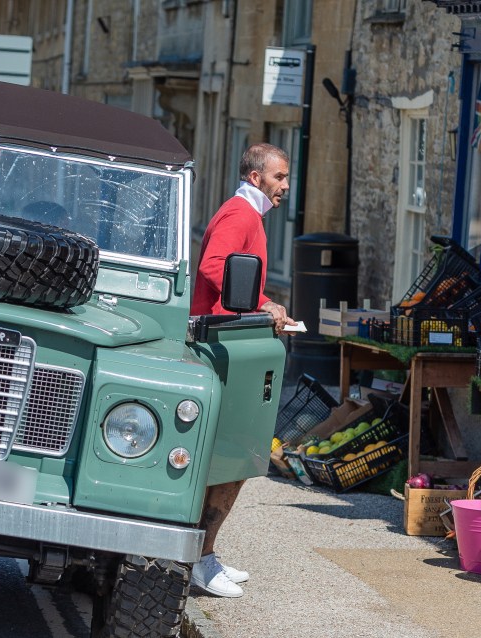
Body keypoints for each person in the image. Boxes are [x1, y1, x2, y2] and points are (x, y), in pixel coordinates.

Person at [189, 142, 296, 597]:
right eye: (279, 178)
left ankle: (204, 554)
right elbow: (216, 267)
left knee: (230, 461)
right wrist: (263, 303)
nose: (285, 187)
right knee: (231, 459)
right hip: (220, 346)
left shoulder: (246, 214)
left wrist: (261, 306)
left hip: (228, 340)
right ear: (256, 177)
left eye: (286, 178)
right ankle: (198, 559)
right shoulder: (240, 215)